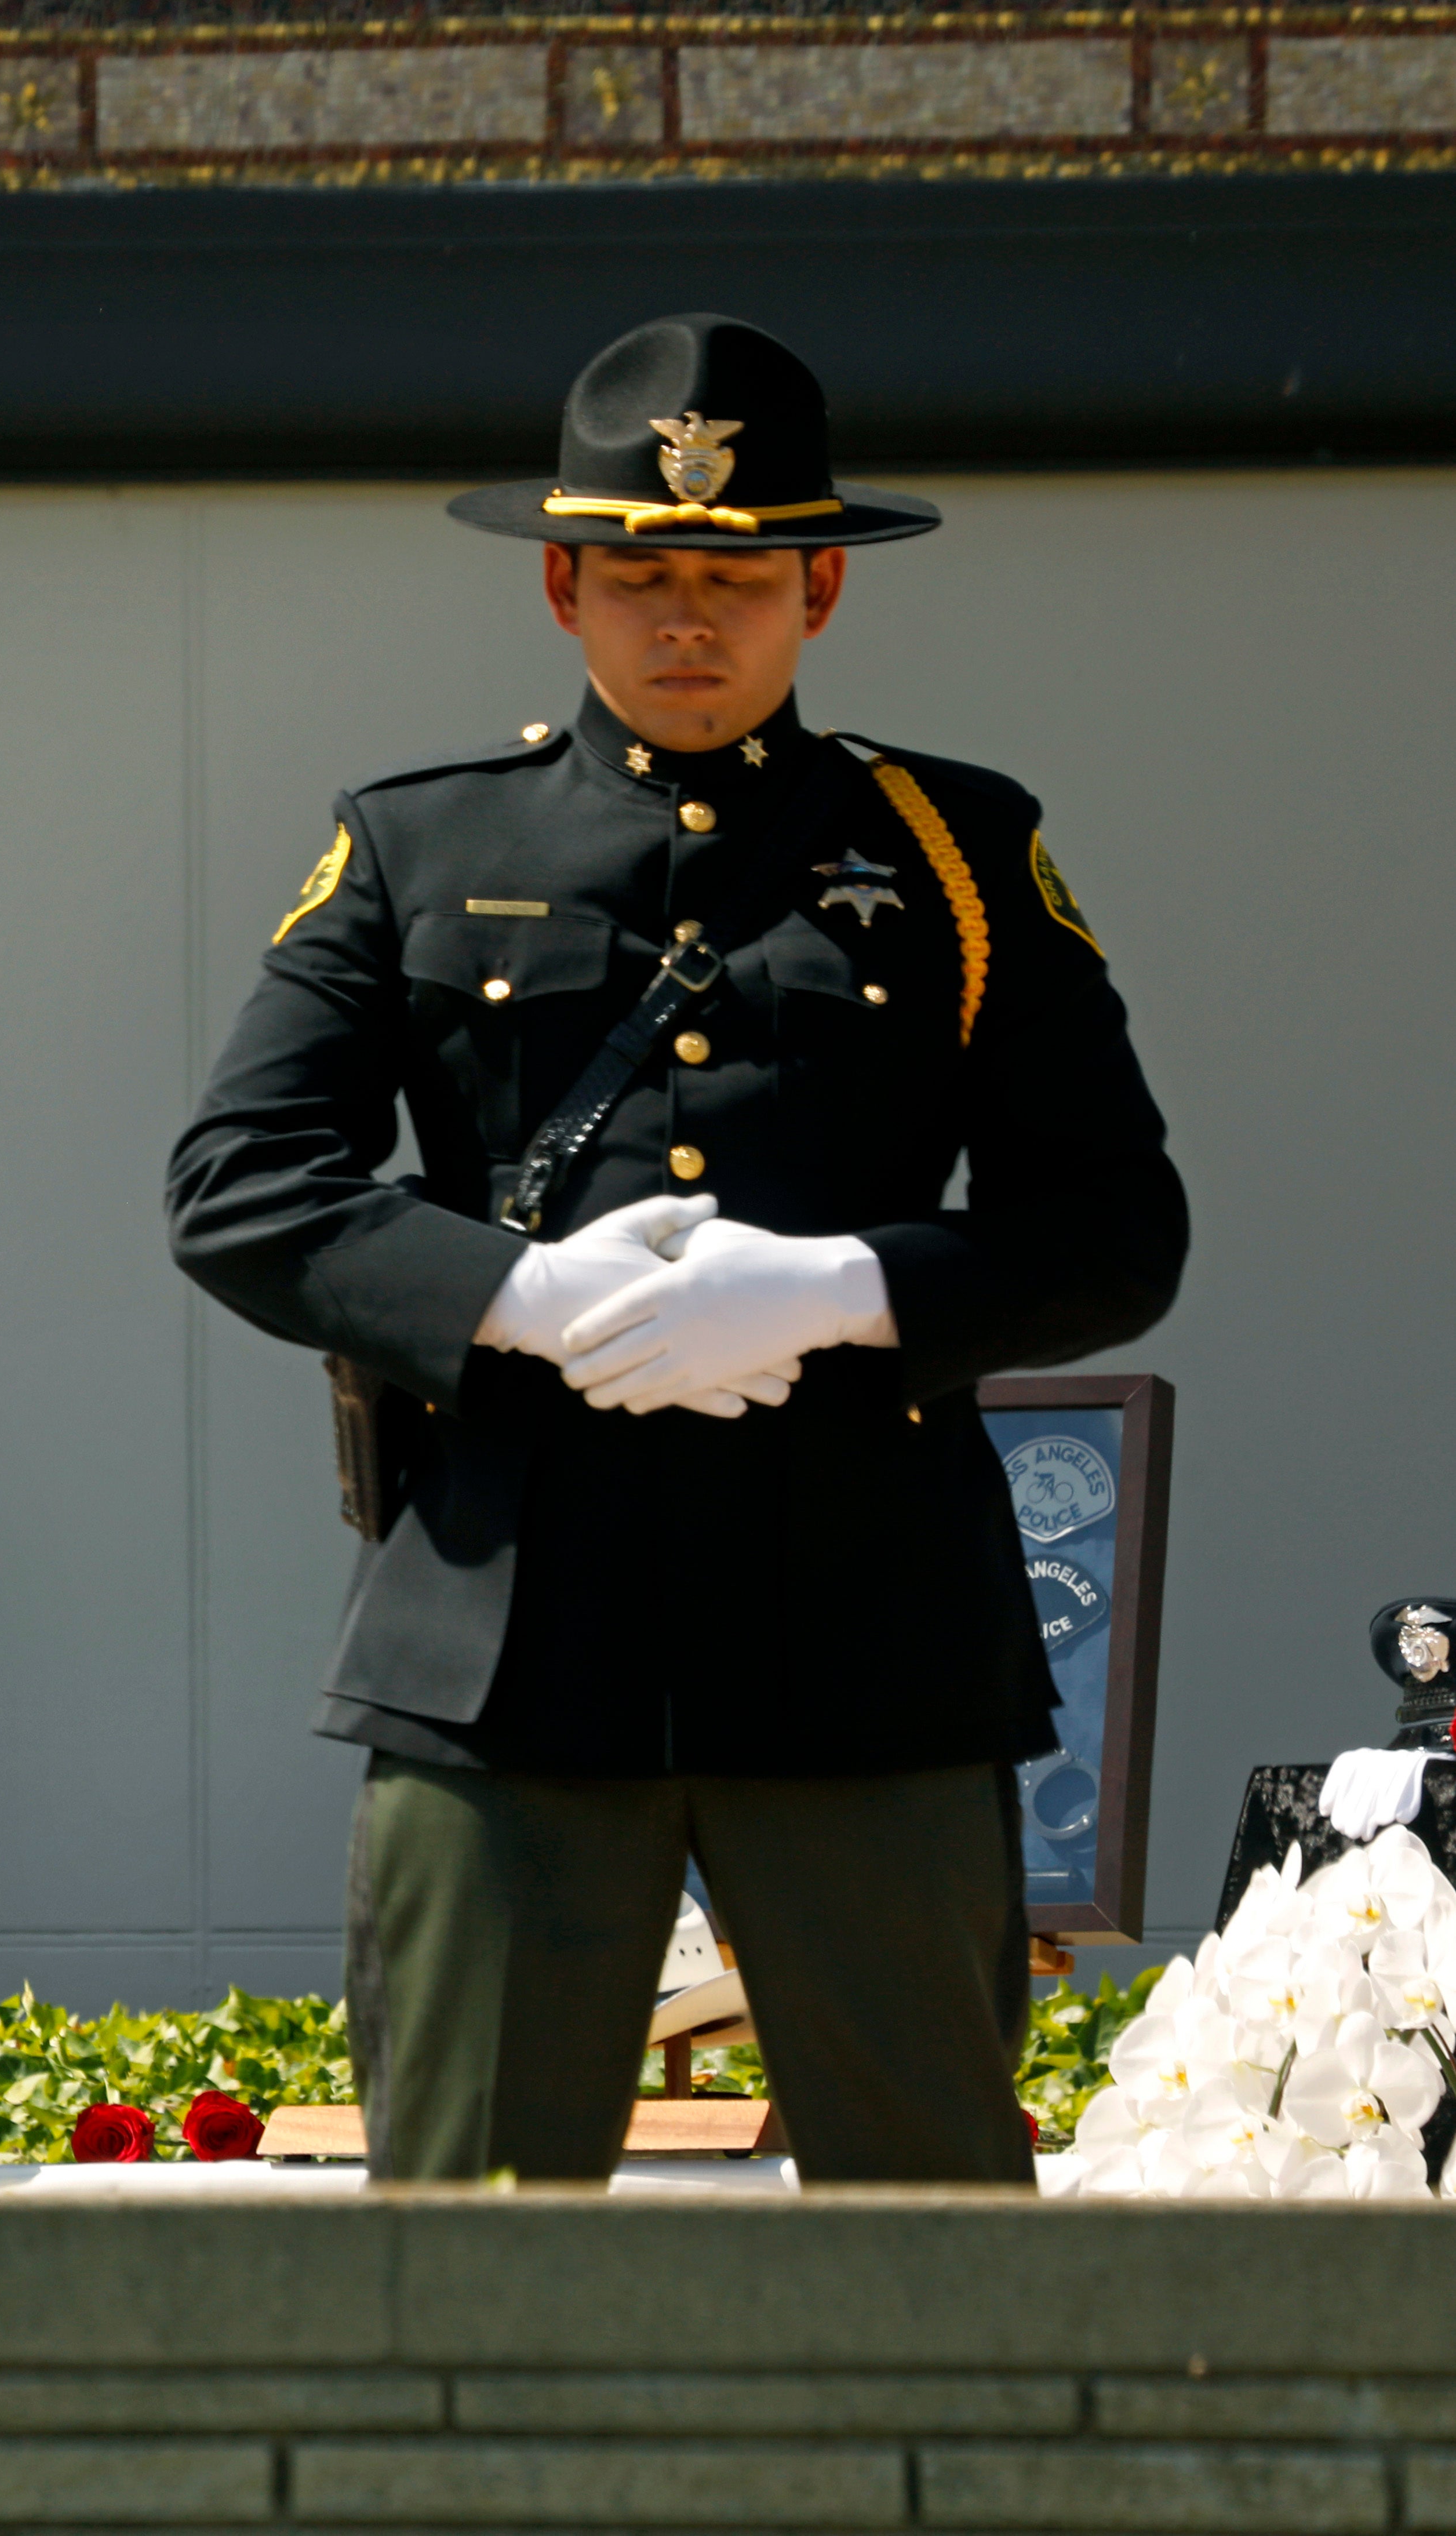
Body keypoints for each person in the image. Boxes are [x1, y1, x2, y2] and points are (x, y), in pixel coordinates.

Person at [165, 312, 1188, 2185]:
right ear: (559, 585)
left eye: (732, 575)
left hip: (865, 1641)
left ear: (819, 588)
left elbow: (1117, 1227)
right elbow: (237, 1179)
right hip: (511, 1642)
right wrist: (522, 1298)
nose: (685, 619)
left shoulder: (955, 847)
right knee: (462, 2237)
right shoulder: (416, 843)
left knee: (928, 2221)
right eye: (638, 573)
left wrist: (842, 1289)